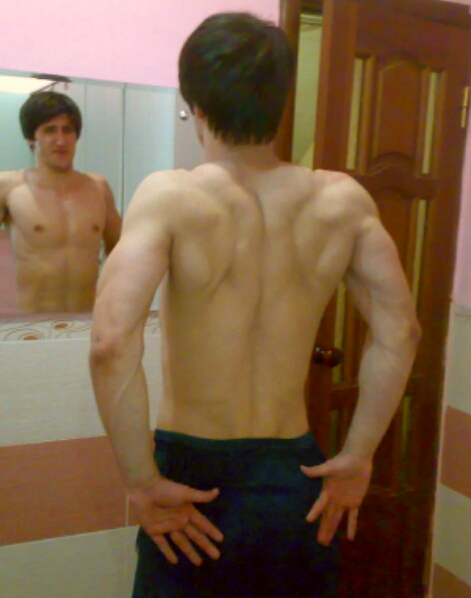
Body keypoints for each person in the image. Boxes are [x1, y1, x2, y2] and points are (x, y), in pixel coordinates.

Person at [89, 12, 421, 598]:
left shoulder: (171, 196)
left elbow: (110, 344)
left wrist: (142, 481)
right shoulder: (342, 202)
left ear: (194, 103)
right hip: (294, 477)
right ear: (281, 100)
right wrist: (358, 455)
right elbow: (402, 333)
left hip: (192, 478)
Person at [0, 91, 121, 313]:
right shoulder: (9, 187)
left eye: (67, 130)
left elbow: (121, 254)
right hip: (32, 324)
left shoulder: (98, 188)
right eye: (49, 130)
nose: (61, 140)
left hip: (87, 321)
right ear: (31, 137)